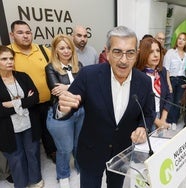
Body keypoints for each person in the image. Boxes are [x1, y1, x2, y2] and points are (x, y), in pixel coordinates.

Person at [57, 26, 155, 188]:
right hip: (91, 151)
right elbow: (68, 106)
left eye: (130, 53)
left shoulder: (144, 81)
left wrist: (142, 128)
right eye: (117, 52)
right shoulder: (88, 75)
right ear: (107, 53)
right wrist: (62, 109)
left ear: (137, 54)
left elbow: (148, 112)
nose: (124, 60)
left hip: (122, 153)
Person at [8, 20, 57, 163]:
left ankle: (52, 152)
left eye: (28, 32)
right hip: (26, 103)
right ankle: (32, 163)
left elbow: (55, 70)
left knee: (49, 129)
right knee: (31, 135)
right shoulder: (8, 53)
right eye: (20, 32)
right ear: (12, 35)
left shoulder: (43, 50)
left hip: (48, 100)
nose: (25, 36)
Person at [0, 46, 43, 188]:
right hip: (8, 128)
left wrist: (12, 104)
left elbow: (35, 98)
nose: (9, 62)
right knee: (15, 157)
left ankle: (36, 180)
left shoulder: (23, 76)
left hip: (29, 123)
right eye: (4, 59)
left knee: (32, 152)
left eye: (11, 58)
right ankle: (21, 184)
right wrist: (24, 103)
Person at [45, 35, 85, 188]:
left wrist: (67, 87)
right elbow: (56, 91)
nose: (66, 51)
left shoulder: (79, 65)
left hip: (80, 110)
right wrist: (76, 86)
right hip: (61, 114)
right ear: (55, 50)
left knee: (79, 143)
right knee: (65, 148)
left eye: (69, 47)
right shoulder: (50, 67)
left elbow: (85, 88)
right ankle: (63, 175)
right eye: (62, 48)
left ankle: (81, 167)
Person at [136, 37, 172, 130]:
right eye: (151, 52)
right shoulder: (137, 74)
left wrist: (163, 120)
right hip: (144, 120)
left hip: (160, 115)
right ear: (144, 53)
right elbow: (139, 104)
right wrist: (157, 122)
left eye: (157, 51)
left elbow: (168, 95)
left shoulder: (162, 71)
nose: (156, 55)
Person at [163, 32, 186, 125]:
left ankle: (174, 121)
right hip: (172, 79)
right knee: (170, 101)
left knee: (178, 102)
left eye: (183, 39)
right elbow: (166, 69)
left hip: (182, 81)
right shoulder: (170, 52)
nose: (181, 41)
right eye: (179, 38)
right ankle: (168, 121)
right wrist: (169, 84)